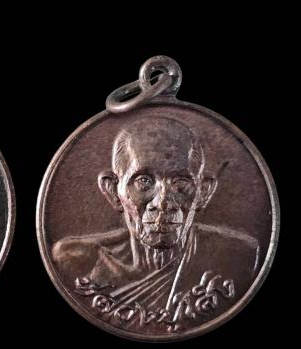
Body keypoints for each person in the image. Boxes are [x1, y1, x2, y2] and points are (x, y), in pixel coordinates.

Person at [52, 116, 259, 329]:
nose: (162, 203)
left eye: (180, 182)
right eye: (144, 181)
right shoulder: (77, 260)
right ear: (113, 190)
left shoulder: (239, 255)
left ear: (203, 192)